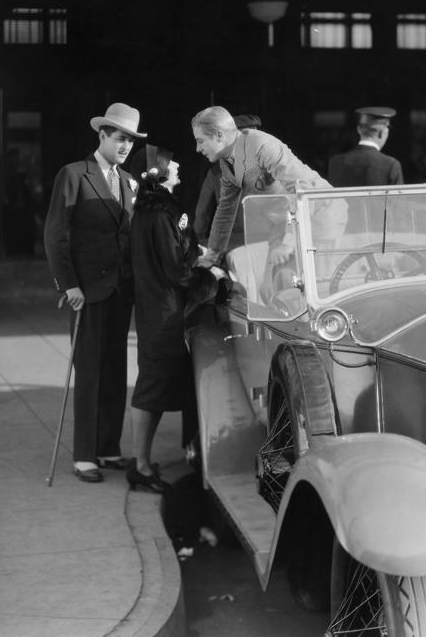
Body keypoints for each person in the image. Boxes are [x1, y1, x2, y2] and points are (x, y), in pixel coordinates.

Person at [43, 102, 143, 483]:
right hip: (86, 290)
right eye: (119, 138)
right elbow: (55, 235)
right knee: (88, 372)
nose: (124, 146)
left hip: (120, 291)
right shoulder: (73, 175)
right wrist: (69, 284)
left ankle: (107, 447)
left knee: (116, 370)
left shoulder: (131, 182)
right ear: (101, 135)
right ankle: (84, 455)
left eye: (130, 141)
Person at [127, 145, 198, 493]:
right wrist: (207, 275)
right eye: (174, 163)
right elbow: (176, 269)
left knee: (154, 386)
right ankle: (138, 465)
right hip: (164, 312)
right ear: (160, 173)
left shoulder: (152, 212)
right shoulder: (159, 215)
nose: (180, 165)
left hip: (159, 309)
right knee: (151, 387)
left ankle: (141, 462)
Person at [191, 105, 332, 267]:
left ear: (219, 135)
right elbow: (224, 212)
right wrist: (211, 257)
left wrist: (289, 241)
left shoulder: (261, 145)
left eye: (200, 141)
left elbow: (304, 190)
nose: (198, 149)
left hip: (320, 218)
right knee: (270, 288)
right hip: (285, 226)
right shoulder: (226, 163)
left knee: (314, 283)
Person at [192, 113, 261, 246]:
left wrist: (195, 244)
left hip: (234, 245)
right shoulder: (268, 166)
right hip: (261, 243)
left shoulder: (216, 172)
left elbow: (202, 215)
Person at [328, 106, 404, 186]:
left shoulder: (336, 162)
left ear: (359, 130)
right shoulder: (391, 165)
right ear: (381, 132)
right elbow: (399, 198)